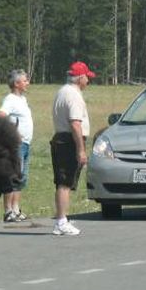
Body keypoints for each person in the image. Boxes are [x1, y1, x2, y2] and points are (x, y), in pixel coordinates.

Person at [50, 61, 95, 236]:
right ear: (80, 78)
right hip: (69, 140)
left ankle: (63, 217)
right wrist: (81, 149)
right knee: (65, 182)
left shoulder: (62, 91)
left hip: (61, 138)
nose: (88, 82)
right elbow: (75, 124)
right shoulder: (74, 95)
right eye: (87, 78)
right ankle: (61, 221)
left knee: (64, 182)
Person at [0, 69, 33, 222]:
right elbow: (1, 116)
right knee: (11, 177)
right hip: (15, 145)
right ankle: (8, 211)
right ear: (17, 83)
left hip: (26, 144)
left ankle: (16, 209)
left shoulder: (22, 99)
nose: (27, 83)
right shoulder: (10, 99)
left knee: (20, 177)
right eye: (25, 81)